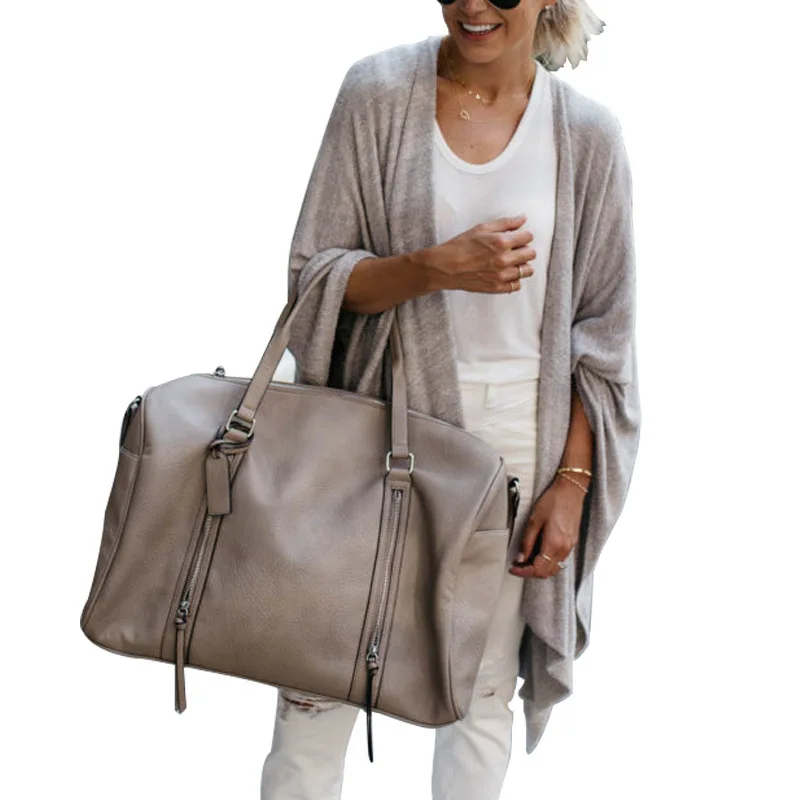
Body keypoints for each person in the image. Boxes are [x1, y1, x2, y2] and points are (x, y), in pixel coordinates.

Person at [262, 1, 640, 798]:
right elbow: (312, 278)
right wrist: (434, 267)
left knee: (478, 695)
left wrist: (573, 484)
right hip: (370, 427)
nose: (473, 6)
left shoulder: (588, 138)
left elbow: (604, 338)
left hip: (517, 446)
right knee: (315, 689)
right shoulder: (376, 94)